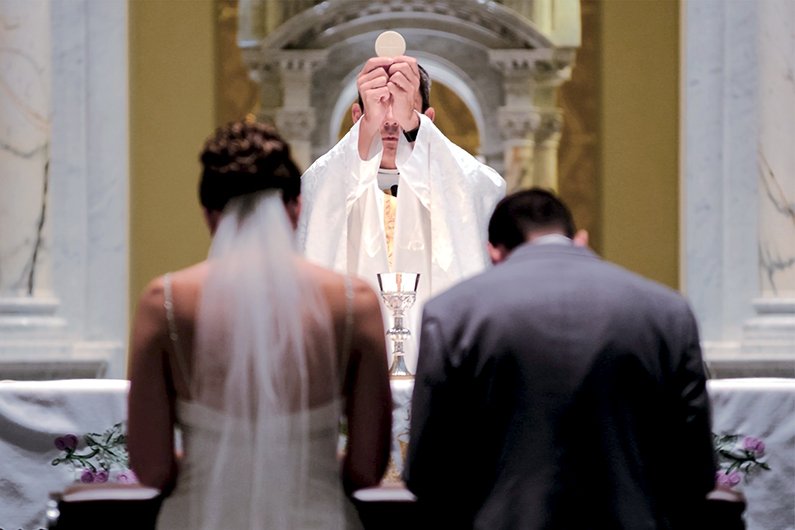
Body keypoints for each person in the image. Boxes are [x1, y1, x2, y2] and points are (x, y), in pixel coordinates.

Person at [127, 120, 392, 530]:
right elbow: (366, 469)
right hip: (317, 517)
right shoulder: (353, 302)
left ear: (209, 214)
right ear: (296, 205)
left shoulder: (162, 302)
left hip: (200, 517)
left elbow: (153, 470)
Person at [404, 188, 715, 529]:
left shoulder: (451, 313)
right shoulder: (667, 310)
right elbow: (695, 469)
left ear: (493, 252)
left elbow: (427, 471)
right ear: (579, 239)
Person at [298, 56, 506, 371]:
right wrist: (369, 127)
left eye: (403, 109)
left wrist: (414, 127)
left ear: (428, 120)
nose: (391, 121)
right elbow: (316, 200)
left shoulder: (454, 179)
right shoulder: (331, 181)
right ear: (358, 116)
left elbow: (484, 188)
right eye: (380, 108)